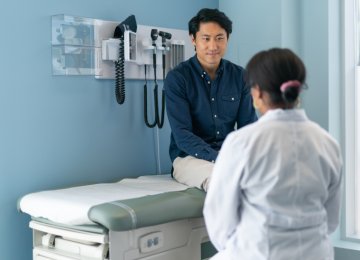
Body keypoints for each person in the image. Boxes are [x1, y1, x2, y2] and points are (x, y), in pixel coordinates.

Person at [203, 47, 343, 260]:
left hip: (261, 253)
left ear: (257, 92)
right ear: (297, 90)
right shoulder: (327, 143)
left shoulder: (242, 142)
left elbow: (219, 221)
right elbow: (331, 221)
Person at [164, 8, 257, 191]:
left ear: (227, 39)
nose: (213, 46)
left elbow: (248, 128)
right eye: (206, 38)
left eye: (219, 38)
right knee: (224, 180)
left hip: (229, 154)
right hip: (189, 158)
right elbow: (182, 135)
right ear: (193, 39)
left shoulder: (240, 76)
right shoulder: (178, 78)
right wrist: (219, 157)